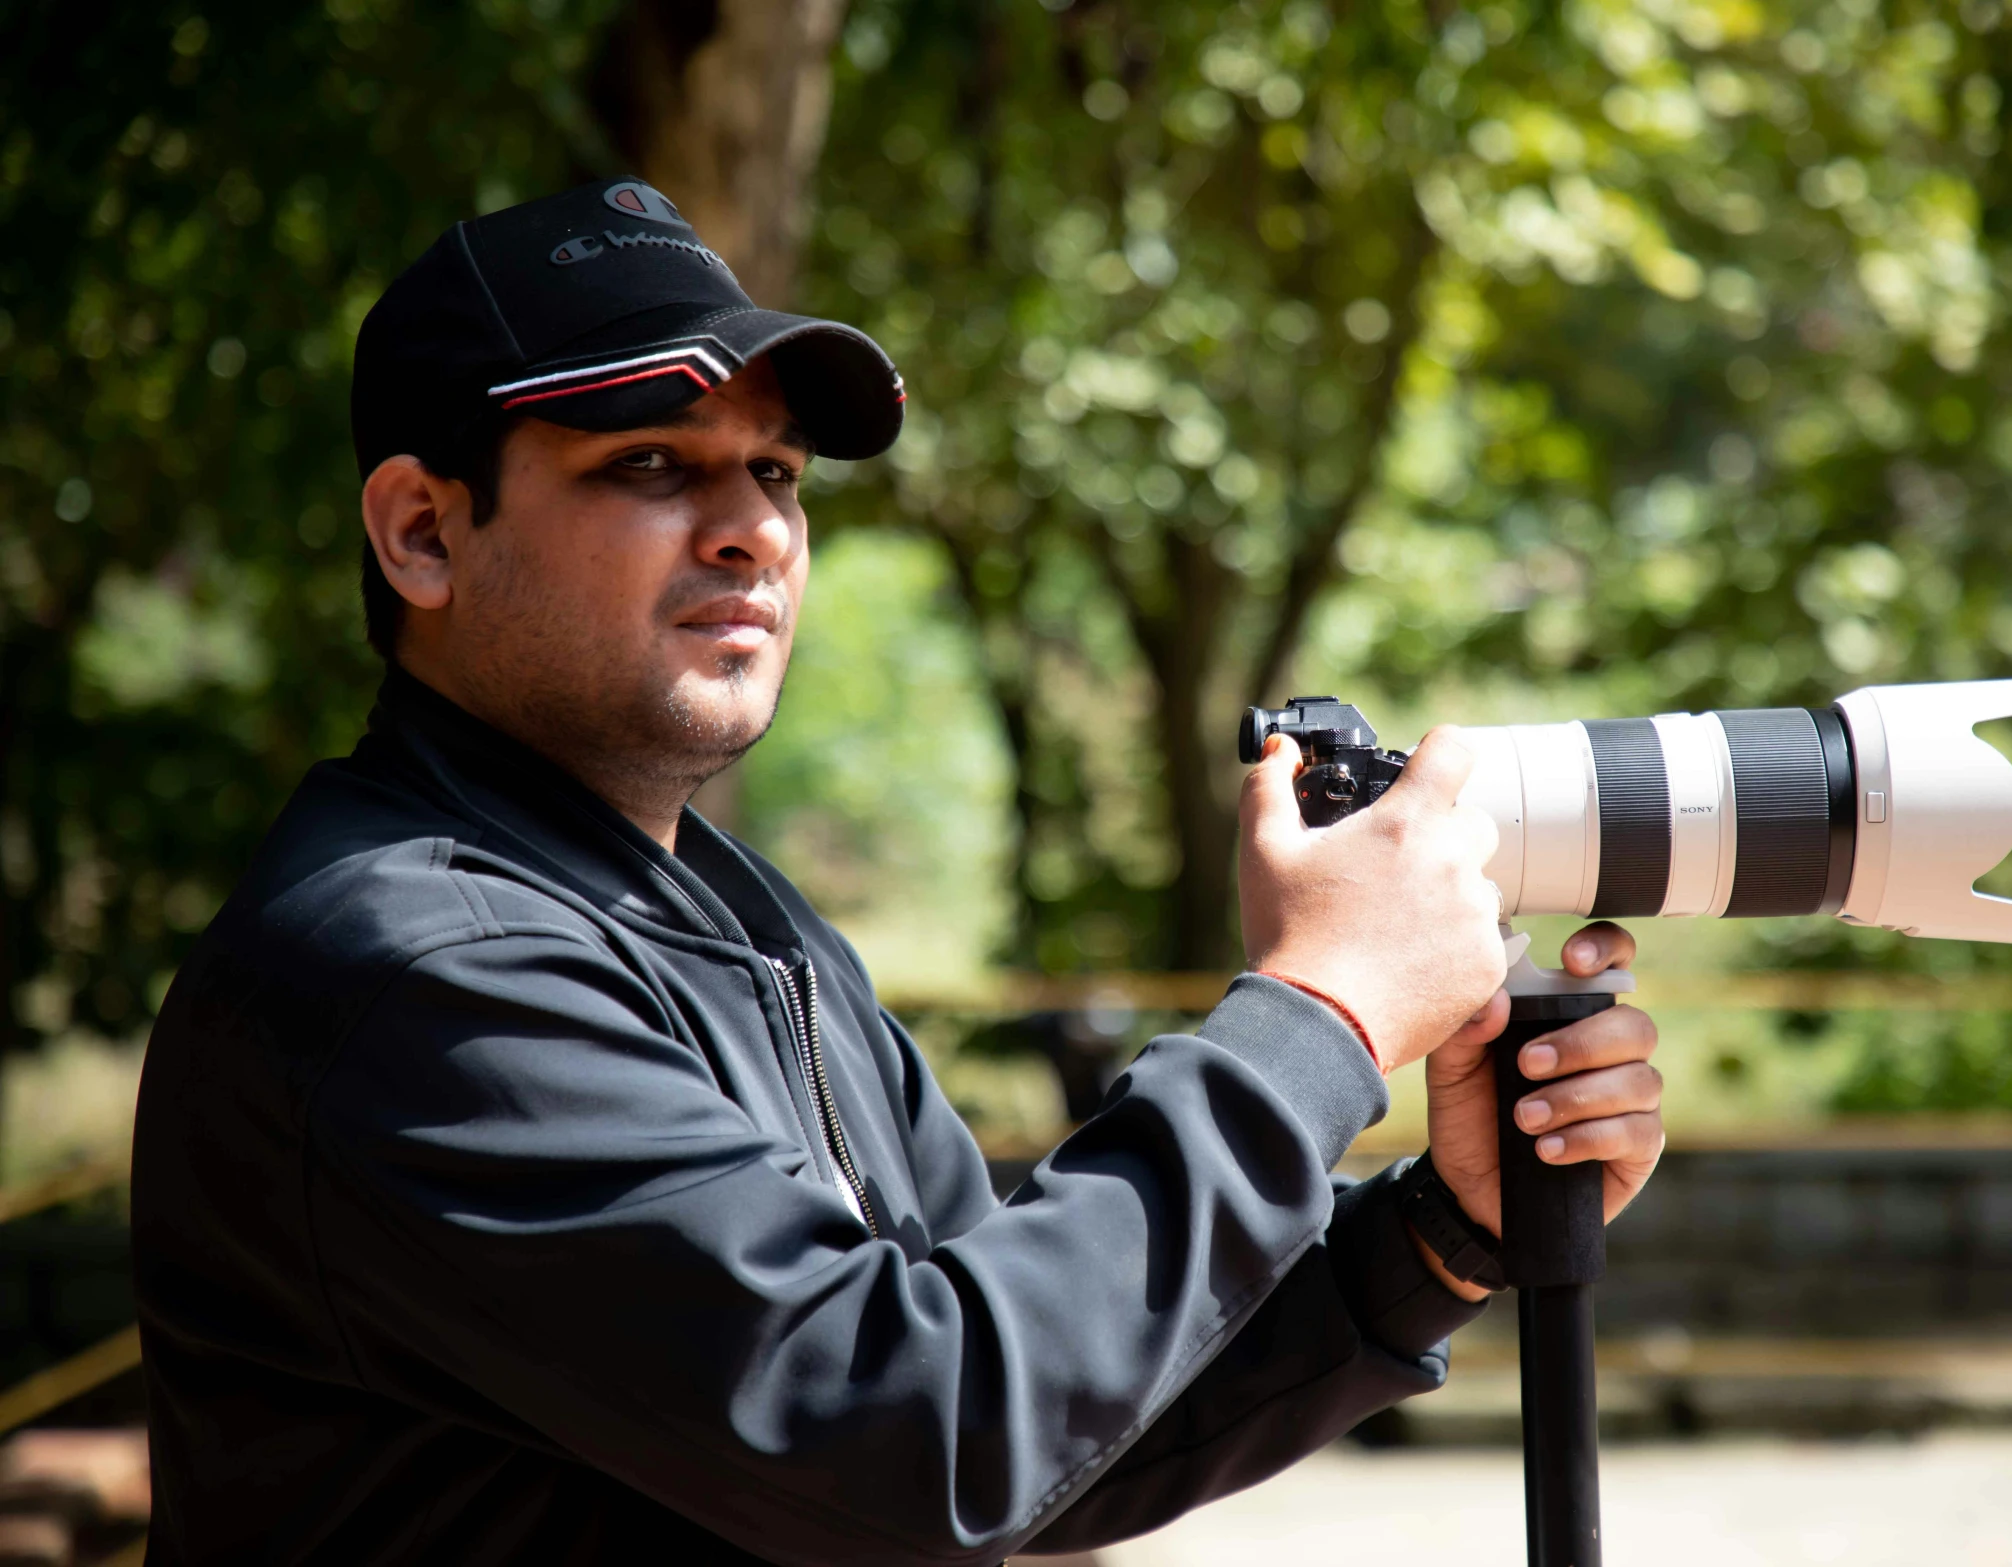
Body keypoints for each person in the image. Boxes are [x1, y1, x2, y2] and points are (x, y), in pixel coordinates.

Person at [131, 179, 1666, 1565]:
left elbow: (1046, 1421)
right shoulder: (411, 967)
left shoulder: (731, 917)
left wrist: (1433, 1236)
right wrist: (1318, 1014)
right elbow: (911, 1429)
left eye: (781, 474)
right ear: (421, 530)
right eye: (653, 461)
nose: (751, 531)